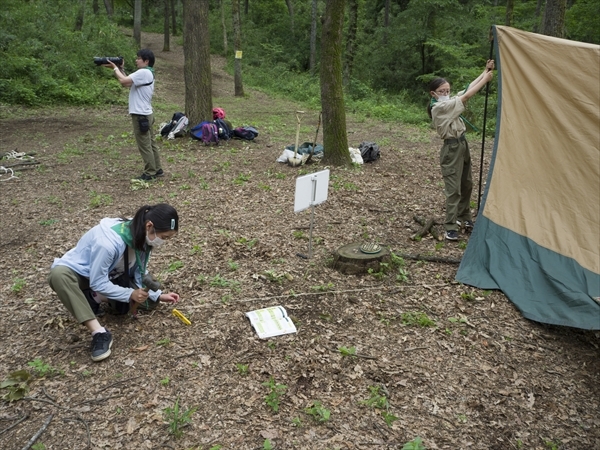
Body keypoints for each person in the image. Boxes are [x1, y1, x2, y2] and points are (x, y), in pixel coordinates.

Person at [48, 204, 180, 362]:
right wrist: (130, 293)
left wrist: (158, 295)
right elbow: (97, 281)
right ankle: (99, 332)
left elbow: (140, 271)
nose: (163, 242)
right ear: (149, 225)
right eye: (164, 237)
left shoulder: (143, 235)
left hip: (112, 275)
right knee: (58, 275)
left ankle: (95, 297)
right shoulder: (108, 242)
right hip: (83, 275)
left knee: (148, 303)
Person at [428, 60, 494, 241]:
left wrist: (484, 72)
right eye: (442, 91)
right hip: (451, 148)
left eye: (447, 90)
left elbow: (466, 90)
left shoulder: (448, 101)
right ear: (433, 94)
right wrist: (486, 80)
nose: (446, 93)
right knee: (453, 189)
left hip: (462, 144)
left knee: (467, 183)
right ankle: (450, 226)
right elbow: (466, 97)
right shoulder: (439, 107)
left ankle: (463, 217)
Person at [105, 49, 163, 181]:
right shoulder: (148, 73)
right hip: (146, 113)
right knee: (151, 143)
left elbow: (123, 82)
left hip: (140, 115)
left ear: (146, 61)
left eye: (138, 58)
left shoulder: (143, 72)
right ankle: (157, 168)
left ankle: (150, 172)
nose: (136, 60)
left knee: (144, 144)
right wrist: (121, 68)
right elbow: (128, 82)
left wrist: (115, 69)